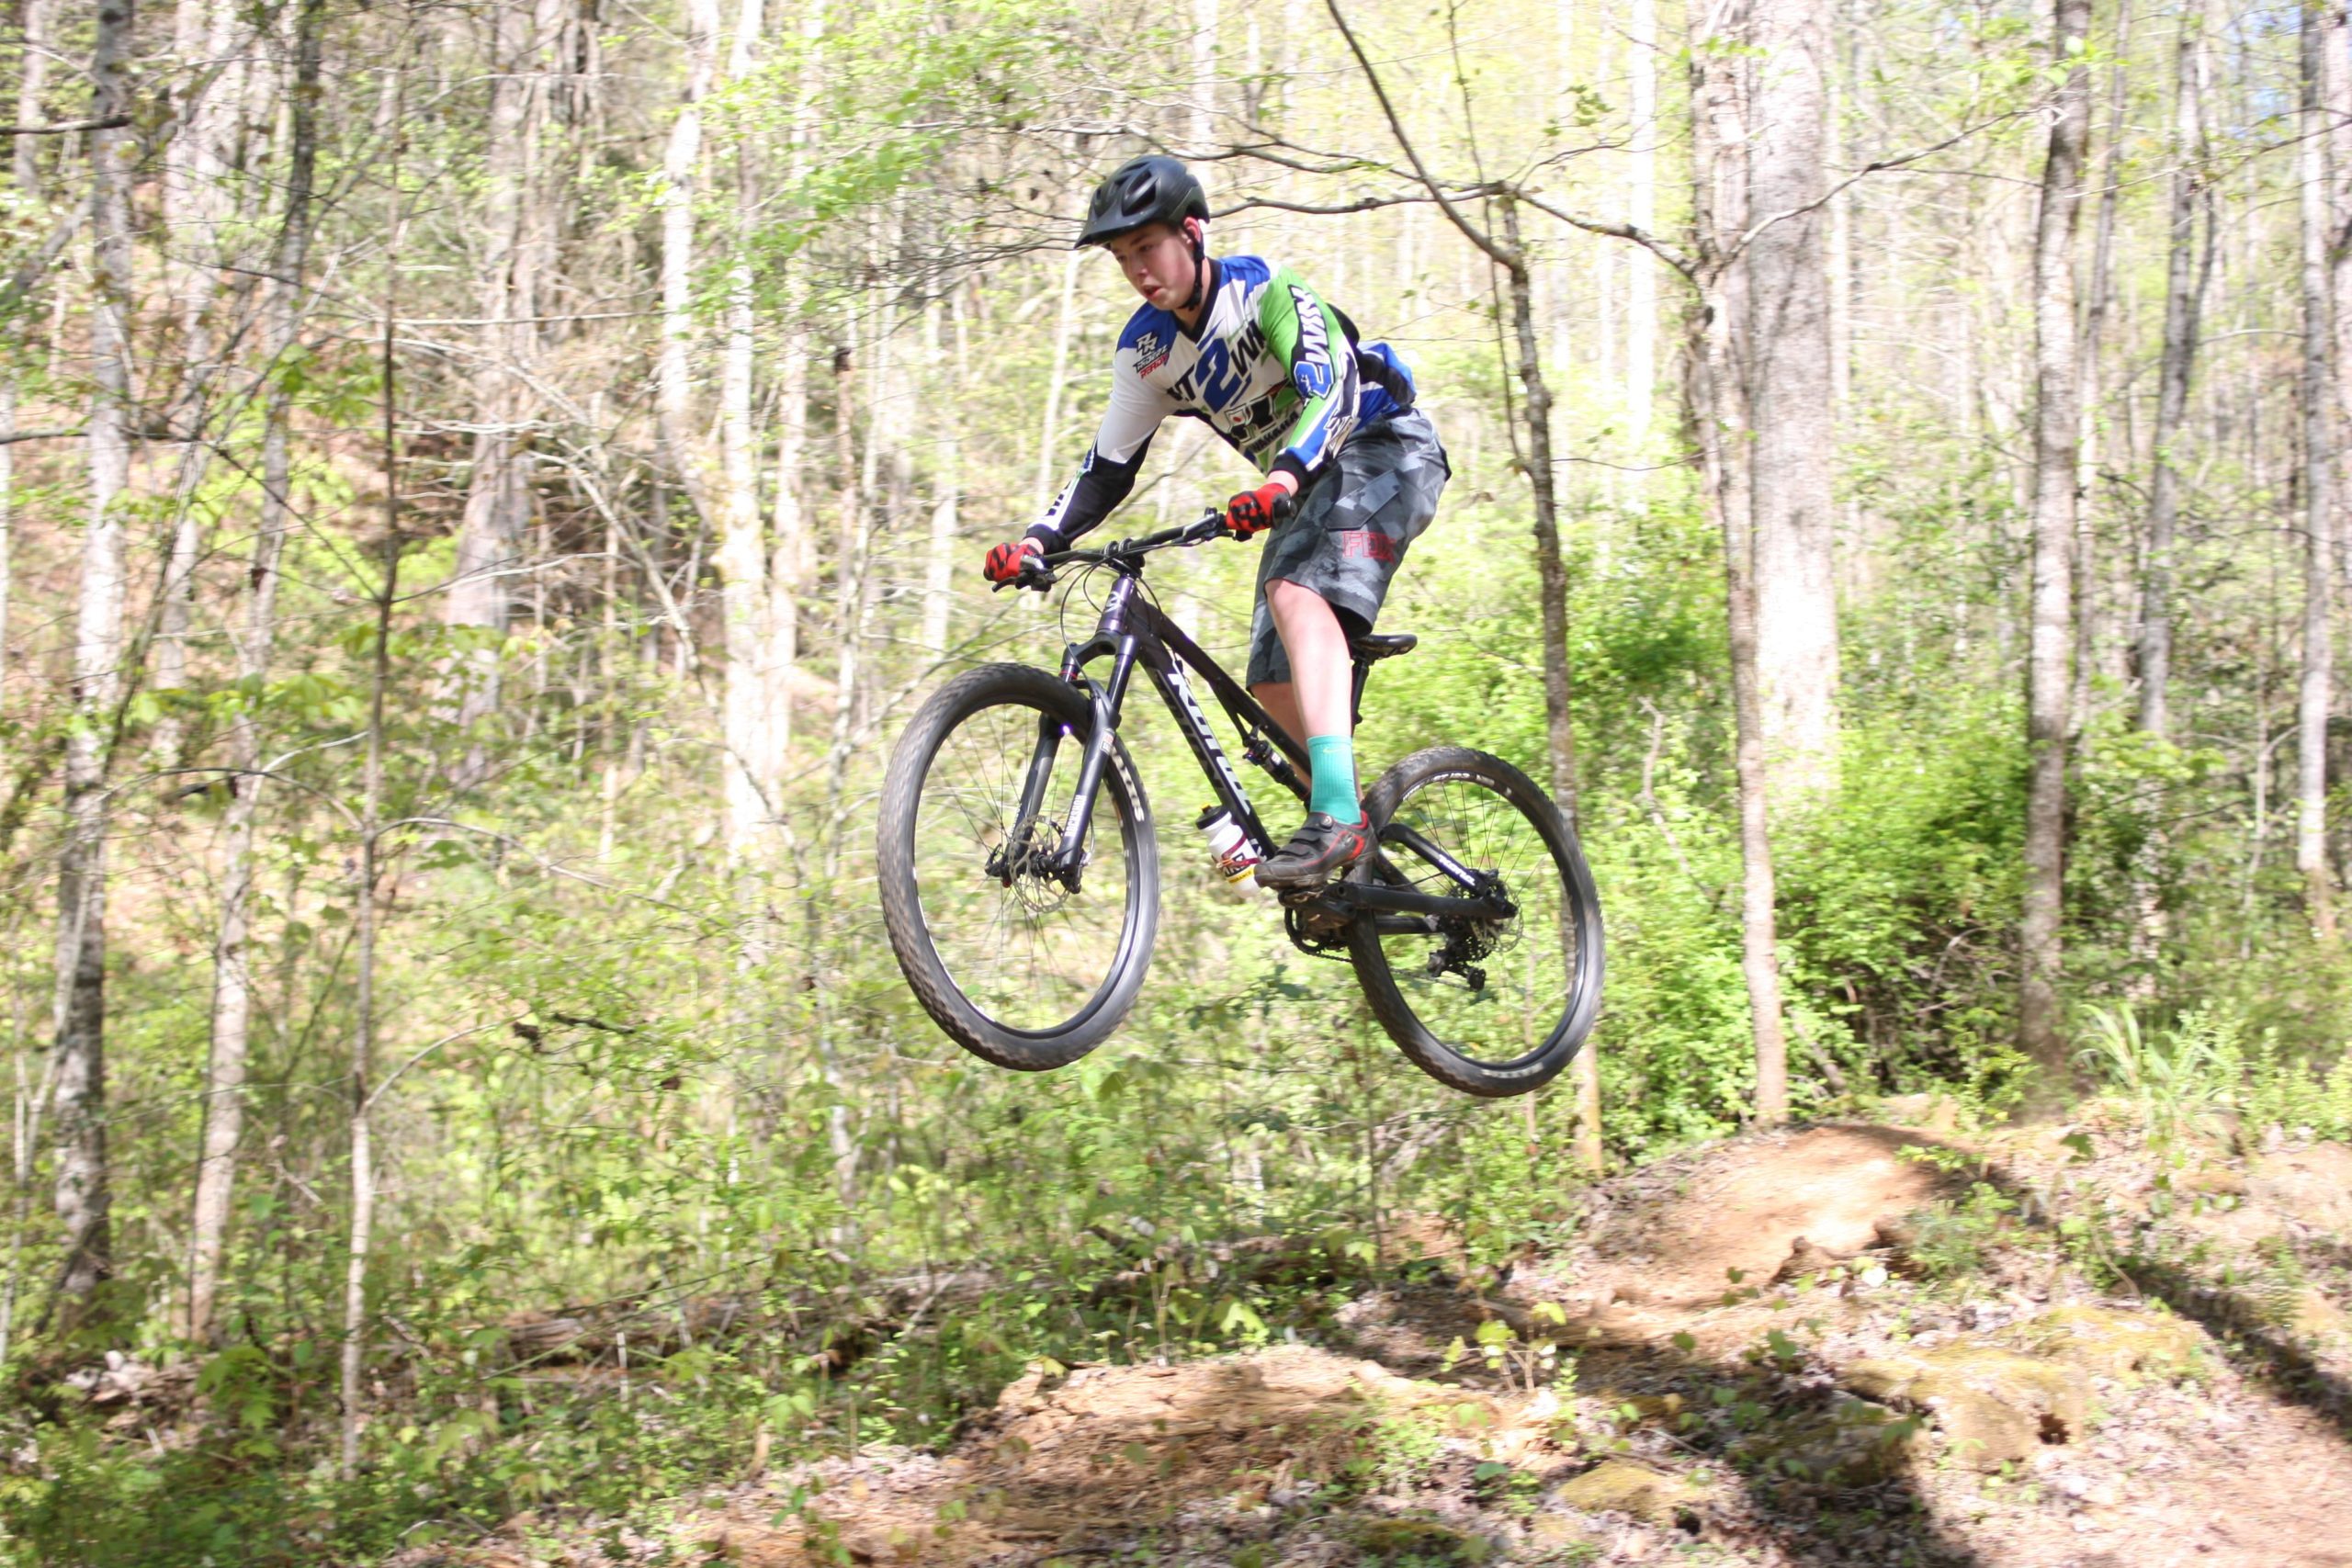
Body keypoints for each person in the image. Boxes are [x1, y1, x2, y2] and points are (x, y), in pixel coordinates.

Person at [983, 154, 1450, 889]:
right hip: (1302, 489)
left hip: (1386, 447)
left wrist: (1283, 475)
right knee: (1270, 683)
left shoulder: (1265, 292)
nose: (1137, 270)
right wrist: (1040, 539)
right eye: (1122, 257)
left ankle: (1338, 818)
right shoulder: (1149, 351)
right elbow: (1107, 467)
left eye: (1147, 247)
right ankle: (1353, 870)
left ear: (1193, 232)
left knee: (1296, 593)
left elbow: (1330, 391)